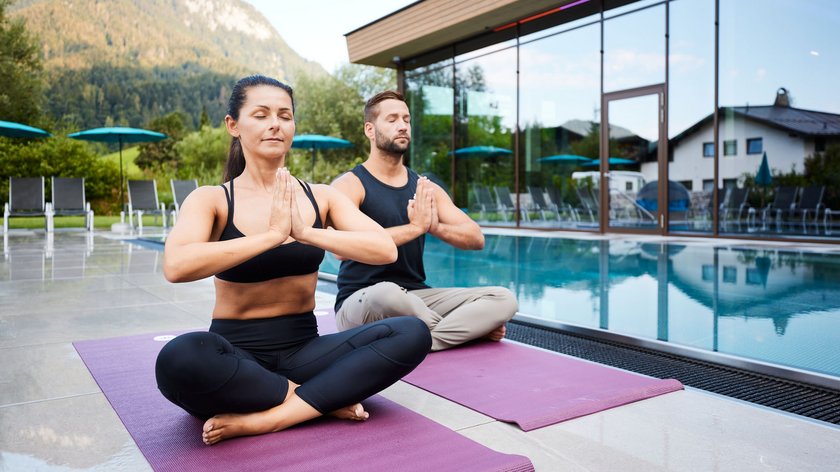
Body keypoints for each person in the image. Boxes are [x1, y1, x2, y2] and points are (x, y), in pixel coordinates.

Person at [154, 76, 431, 446]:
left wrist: (305, 232)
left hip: (306, 350)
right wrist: (269, 237)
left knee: (411, 332)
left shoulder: (321, 196)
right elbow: (176, 265)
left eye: (285, 115)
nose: (275, 124)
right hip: (237, 356)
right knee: (179, 358)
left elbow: (384, 248)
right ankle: (319, 400)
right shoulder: (212, 200)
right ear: (233, 125)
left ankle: (272, 418)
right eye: (261, 114)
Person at [330, 90, 518, 352]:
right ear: (370, 130)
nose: (402, 126)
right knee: (387, 293)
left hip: (416, 297)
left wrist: (434, 226)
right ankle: (460, 331)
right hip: (364, 300)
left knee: (503, 299)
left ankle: (425, 339)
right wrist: (414, 228)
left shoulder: (423, 187)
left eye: (406, 119)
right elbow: (339, 248)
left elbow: (476, 237)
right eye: (392, 119)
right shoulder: (350, 185)